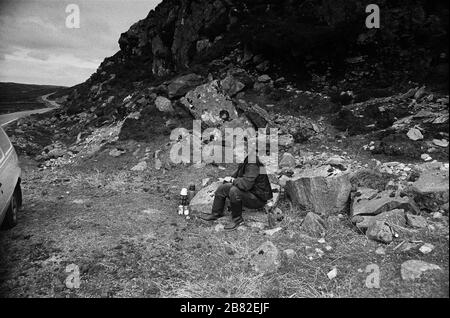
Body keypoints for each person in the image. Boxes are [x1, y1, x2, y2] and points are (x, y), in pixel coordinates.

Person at [200, 154, 273, 230]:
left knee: (234, 191)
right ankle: (216, 214)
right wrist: (229, 179)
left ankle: (237, 220)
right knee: (223, 188)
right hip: (250, 192)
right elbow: (238, 174)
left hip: (258, 199)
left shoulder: (253, 166)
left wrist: (232, 180)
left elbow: (245, 185)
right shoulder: (248, 161)